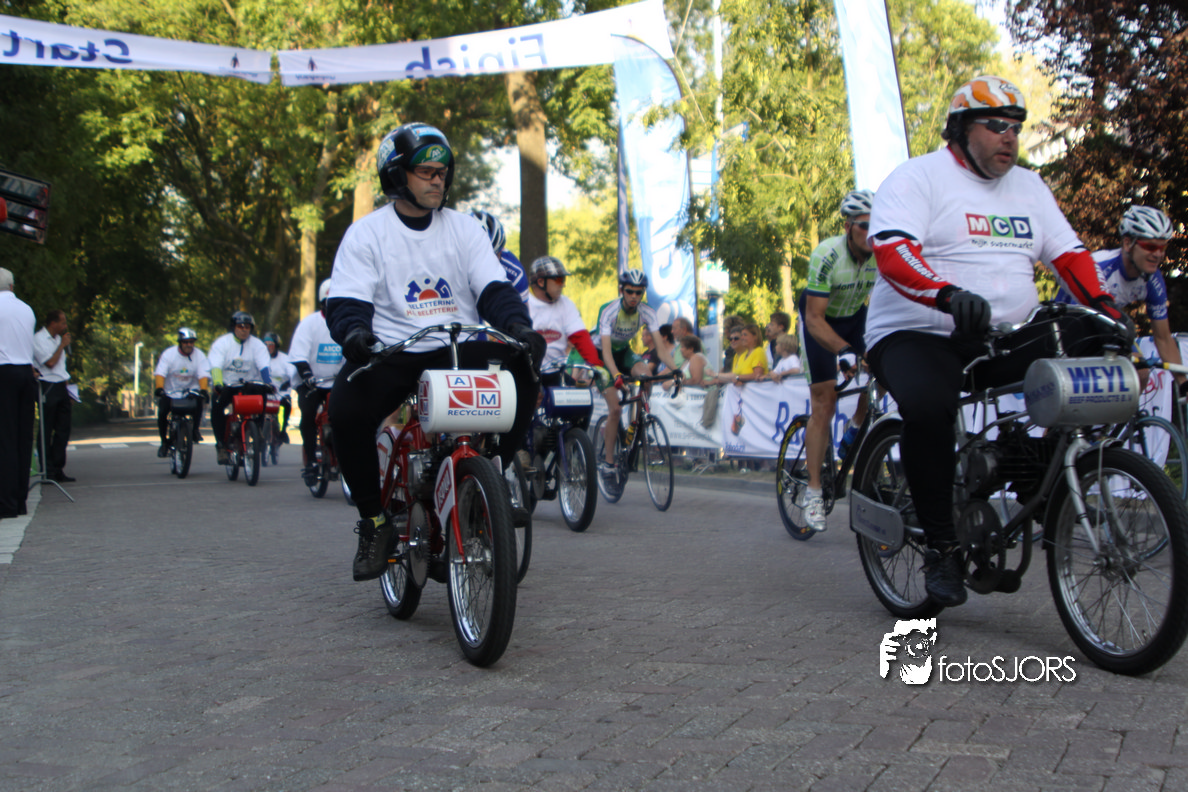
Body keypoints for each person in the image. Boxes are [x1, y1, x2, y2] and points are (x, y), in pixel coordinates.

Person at [864, 75, 1128, 607]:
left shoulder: (1029, 187)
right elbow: (892, 251)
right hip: (918, 331)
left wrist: (1104, 309)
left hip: (1000, 336)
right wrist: (945, 294)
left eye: (1015, 128)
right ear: (961, 129)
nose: (1008, 137)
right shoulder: (919, 177)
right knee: (929, 407)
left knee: (1088, 337)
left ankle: (1037, 469)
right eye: (994, 126)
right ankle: (941, 547)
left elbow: (1070, 255)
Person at [324, 122, 545, 582]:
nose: (437, 180)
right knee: (343, 408)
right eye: (426, 172)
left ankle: (493, 476)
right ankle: (374, 522)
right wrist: (354, 334)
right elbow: (346, 302)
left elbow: (494, 291)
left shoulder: (465, 229)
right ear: (396, 176)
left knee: (523, 369)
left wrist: (519, 327)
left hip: (456, 347)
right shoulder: (367, 234)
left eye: (442, 172)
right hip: (392, 351)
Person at [797, 188, 878, 532]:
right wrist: (842, 350)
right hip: (819, 321)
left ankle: (855, 429)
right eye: (864, 225)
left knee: (884, 375)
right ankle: (813, 491)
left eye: (878, 225)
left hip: (855, 318)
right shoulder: (827, 254)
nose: (872, 233)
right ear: (847, 226)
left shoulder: (883, 253)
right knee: (824, 404)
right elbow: (814, 319)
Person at [1053, 205, 1185, 393]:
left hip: (1107, 325)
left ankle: (1125, 414)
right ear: (1127, 243)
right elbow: (1079, 324)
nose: (1158, 254)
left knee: (1140, 374)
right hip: (1068, 326)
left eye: (1162, 247)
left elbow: (1163, 338)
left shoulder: (1152, 279)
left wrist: (1183, 383)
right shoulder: (1101, 267)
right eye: (1150, 246)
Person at [595, 269, 679, 481]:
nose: (634, 296)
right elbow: (606, 352)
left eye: (639, 292)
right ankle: (609, 462)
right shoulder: (608, 311)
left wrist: (677, 370)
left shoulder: (647, 312)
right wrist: (616, 375)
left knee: (646, 375)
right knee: (615, 409)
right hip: (602, 356)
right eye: (630, 291)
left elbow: (661, 350)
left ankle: (637, 423)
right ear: (621, 290)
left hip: (623, 351)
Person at [290, 279, 345, 486]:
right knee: (308, 416)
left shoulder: (346, 324)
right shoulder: (309, 324)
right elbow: (299, 355)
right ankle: (311, 461)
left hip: (336, 382)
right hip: (310, 382)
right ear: (323, 303)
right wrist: (306, 375)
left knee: (346, 415)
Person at [524, 256, 602, 386]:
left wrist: (596, 365)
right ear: (541, 282)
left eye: (564, 280)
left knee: (577, 396)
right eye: (559, 280)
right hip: (528, 373)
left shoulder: (566, 304)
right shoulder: (523, 304)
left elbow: (581, 337)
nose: (563, 284)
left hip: (557, 373)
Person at [208, 311, 272, 465]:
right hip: (227, 385)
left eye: (247, 327)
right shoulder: (222, 343)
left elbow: (264, 366)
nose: (244, 330)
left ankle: (257, 430)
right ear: (233, 327)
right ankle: (221, 445)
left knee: (262, 394)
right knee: (216, 408)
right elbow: (216, 365)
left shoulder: (257, 345)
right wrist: (218, 383)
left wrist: (268, 383)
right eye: (240, 326)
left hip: (249, 385)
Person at [0, 268, 37, 518]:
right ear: (12, 286)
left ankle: (6, 502)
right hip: (26, 373)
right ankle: (21, 500)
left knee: (5, 439)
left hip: (4, 372)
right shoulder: (26, 309)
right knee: (24, 439)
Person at [152, 327, 211, 456]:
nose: (189, 345)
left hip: (190, 391)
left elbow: (203, 374)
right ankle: (164, 443)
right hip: (171, 392)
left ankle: (195, 430)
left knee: (199, 402)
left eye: (191, 342)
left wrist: (204, 390)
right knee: (162, 412)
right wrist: (159, 388)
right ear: (180, 342)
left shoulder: (200, 355)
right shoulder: (169, 354)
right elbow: (160, 373)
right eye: (185, 342)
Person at [32, 309, 74, 483]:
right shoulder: (39, 339)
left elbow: (61, 368)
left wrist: (68, 390)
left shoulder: (58, 339)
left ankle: (58, 468)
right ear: (53, 323)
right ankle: (47, 469)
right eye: (63, 322)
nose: (65, 326)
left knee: (63, 429)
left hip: (61, 385)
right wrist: (62, 346)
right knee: (47, 428)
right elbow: (50, 363)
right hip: (47, 385)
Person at [471, 209, 528, 302]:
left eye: (495, 255)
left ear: (501, 250)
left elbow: (523, 309)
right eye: (481, 257)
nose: (488, 264)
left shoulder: (515, 273)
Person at [262, 331, 295, 443]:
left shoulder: (285, 359)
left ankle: (283, 429)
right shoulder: (260, 358)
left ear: (276, 345)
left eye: (271, 344)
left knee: (287, 403)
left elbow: (292, 374)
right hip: (265, 391)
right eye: (266, 345)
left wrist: (288, 383)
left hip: (281, 392)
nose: (268, 347)